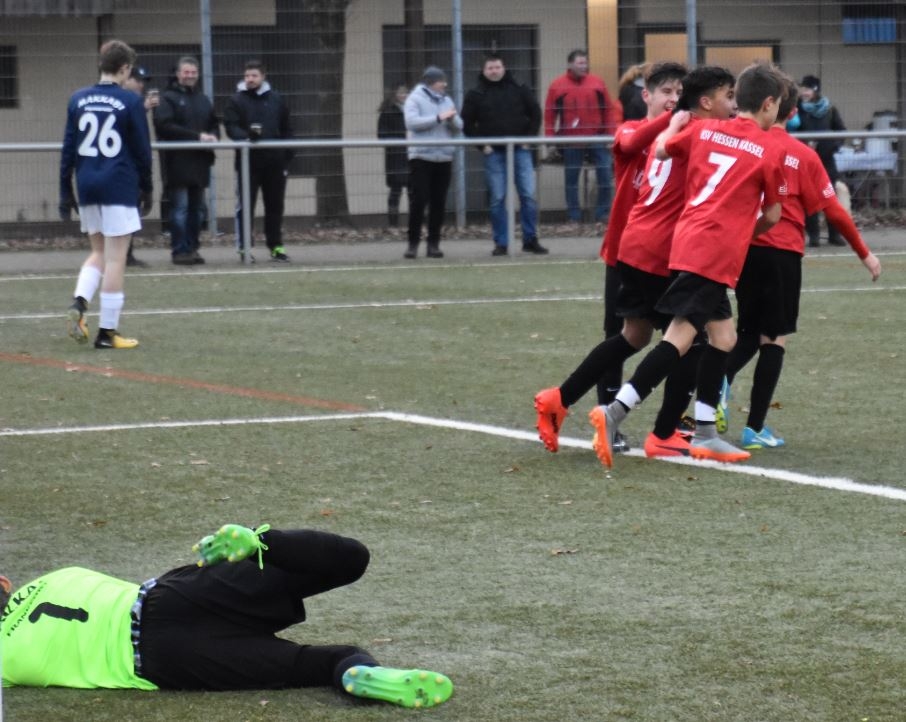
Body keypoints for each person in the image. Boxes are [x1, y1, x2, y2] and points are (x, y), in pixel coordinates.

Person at [0, 524, 454, 709]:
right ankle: (260, 541)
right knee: (350, 559)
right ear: (5, 584)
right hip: (170, 599)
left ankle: (357, 670)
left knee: (321, 663)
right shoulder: (58, 578)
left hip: (166, 661)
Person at [585, 62, 789, 468]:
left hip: (686, 244)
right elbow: (772, 215)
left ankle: (705, 432)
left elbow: (662, 150)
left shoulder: (704, 130)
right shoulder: (770, 149)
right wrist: (741, 232)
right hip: (715, 252)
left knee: (723, 338)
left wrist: (674, 125)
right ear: (768, 104)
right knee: (679, 338)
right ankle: (614, 412)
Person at [535, 65, 738, 460]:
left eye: (677, 93)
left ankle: (559, 398)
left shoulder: (677, 133)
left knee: (635, 335)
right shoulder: (685, 132)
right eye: (666, 92)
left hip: (638, 245)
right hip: (656, 250)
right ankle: (664, 431)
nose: (672, 99)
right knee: (695, 339)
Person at [717, 76, 882, 450]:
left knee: (748, 331)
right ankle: (753, 426)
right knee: (774, 338)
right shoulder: (801, 154)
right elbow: (833, 211)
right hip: (781, 252)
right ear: (791, 111)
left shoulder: (742, 142)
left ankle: (717, 385)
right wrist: (865, 253)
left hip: (745, 247)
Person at [60, 39, 152, 350]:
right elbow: (142, 150)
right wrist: (148, 186)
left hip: (87, 184)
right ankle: (107, 333)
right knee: (116, 258)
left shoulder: (78, 98)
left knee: (98, 252)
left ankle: (79, 302)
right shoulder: (130, 101)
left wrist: (65, 189)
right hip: (118, 184)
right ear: (124, 68)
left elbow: (68, 149)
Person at [461, 53, 546, 256]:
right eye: (490, 68)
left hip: (520, 151)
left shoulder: (520, 89)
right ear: (484, 71)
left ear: (503, 68)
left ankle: (530, 239)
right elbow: (467, 123)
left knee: (528, 196)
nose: (494, 71)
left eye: (497, 67)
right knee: (498, 199)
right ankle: (501, 242)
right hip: (494, 154)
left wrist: (528, 139)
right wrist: (482, 146)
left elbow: (535, 113)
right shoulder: (475, 94)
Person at [224, 60, 294, 263]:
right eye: (247, 76)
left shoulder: (277, 99)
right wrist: (247, 137)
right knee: (245, 206)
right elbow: (231, 127)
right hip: (248, 163)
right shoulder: (236, 100)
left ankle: (276, 246)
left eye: (254, 76)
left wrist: (288, 154)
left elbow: (287, 128)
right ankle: (245, 248)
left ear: (263, 76)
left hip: (275, 162)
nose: (250, 79)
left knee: (275, 206)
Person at [153, 56, 219, 266]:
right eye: (186, 72)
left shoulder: (203, 99)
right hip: (177, 162)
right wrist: (197, 137)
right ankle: (180, 250)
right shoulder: (167, 98)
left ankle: (192, 248)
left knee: (197, 211)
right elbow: (164, 126)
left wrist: (213, 136)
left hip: (200, 162)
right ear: (178, 74)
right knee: (180, 209)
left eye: (193, 72)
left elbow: (213, 123)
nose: (190, 76)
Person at [544, 50, 622, 224]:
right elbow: (550, 115)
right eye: (580, 63)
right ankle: (574, 216)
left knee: (605, 175)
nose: (583, 66)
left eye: (585, 63)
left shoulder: (597, 83)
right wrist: (550, 140)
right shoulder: (557, 85)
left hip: (597, 137)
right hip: (571, 140)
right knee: (571, 179)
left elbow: (608, 111)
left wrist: (610, 136)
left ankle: (602, 213)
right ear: (570, 64)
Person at [402, 66, 462, 259]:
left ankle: (433, 245)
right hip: (421, 157)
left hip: (444, 157)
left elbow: (459, 125)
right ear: (430, 82)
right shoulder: (414, 99)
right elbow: (412, 123)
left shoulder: (447, 100)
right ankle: (412, 244)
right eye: (440, 81)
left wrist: (452, 120)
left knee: (439, 202)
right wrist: (437, 118)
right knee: (419, 201)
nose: (444, 84)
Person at [795, 75, 846, 247]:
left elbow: (841, 131)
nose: (804, 93)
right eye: (802, 89)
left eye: (807, 89)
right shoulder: (796, 110)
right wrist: (803, 145)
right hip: (805, 161)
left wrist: (832, 146)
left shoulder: (830, 109)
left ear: (815, 90)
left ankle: (834, 234)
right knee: (809, 199)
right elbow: (791, 131)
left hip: (826, 161)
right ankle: (814, 235)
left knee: (830, 197)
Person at [121, 65, 158, 268]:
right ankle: (121, 255)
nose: (141, 85)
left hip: (130, 169)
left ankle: (127, 253)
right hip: (123, 168)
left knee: (130, 213)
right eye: (138, 80)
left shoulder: (135, 104)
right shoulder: (124, 102)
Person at [377, 84, 409, 230]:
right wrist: (401, 139)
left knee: (414, 192)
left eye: (406, 92)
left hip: (412, 156)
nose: (403, 95)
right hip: (396, 157)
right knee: (395, 191)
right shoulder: (388, 112)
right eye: (400, 92)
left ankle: (415, 223)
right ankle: (393, 224)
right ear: (394, 94)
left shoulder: (413, 110)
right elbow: (382, 135)